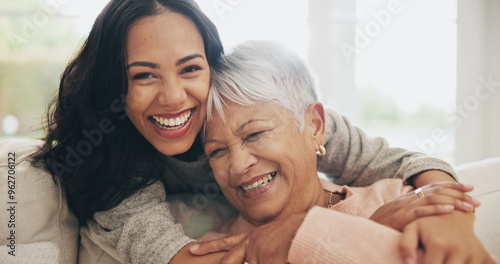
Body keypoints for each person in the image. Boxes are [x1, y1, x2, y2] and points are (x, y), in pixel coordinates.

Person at [27, 0, 463, 263]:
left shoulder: (248, 111)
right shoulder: (112, 169)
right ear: (114, 86)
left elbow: (412, 164)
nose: (174, 97)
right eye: (143, 76)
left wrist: (446, 214)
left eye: (190, 68)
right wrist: (352, 233)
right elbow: (186, 259)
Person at [196, 40, 498, 264]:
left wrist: (318, 233)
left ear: (314, 126)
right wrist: (370, 231)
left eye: (255, 133)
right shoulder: (216, 252)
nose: (237, 165)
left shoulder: (399, 200)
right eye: (218, 151)